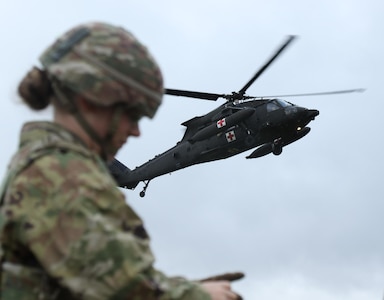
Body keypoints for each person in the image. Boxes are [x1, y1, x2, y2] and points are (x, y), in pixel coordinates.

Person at [0, 22, 243, 299]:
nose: (136, 131)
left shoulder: (43, 166)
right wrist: (200, 296)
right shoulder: (60, 175)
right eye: (133, 114)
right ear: (93, 99)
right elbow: (119, 289)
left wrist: (181, 289)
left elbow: (89, 279)